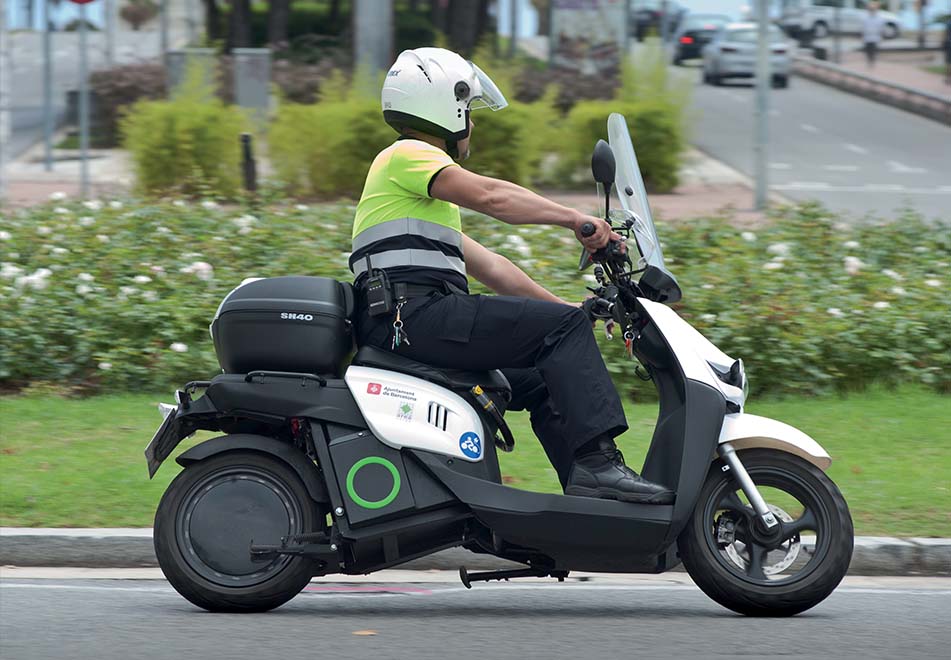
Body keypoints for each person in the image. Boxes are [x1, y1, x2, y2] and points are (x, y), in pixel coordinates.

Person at [350, 47, 674, 504]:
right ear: (447, 107)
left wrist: (571, 311)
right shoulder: (406, 155)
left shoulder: (416, 200)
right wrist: (575, 220)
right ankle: (599, 467)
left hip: (416, 319)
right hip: (415, 317)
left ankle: (592, 503)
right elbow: (491, 197)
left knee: (546, 373)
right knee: (559, 335)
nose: (473, 124)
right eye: (470, 112)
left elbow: (495, 269)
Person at [862, 2, 885, 69]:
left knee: (873, 50)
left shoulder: (879, 18)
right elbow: (863, 27)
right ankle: (869, 61)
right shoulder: (865, 17)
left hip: (875, 37)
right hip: (867, 37)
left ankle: (872, 61)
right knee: (868, 50)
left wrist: (881, 36)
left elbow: (881, 28)